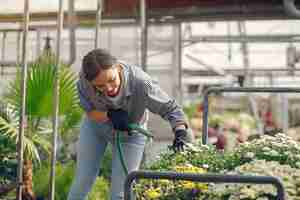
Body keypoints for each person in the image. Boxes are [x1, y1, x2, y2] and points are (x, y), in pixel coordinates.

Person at [67, 48, 190, 200]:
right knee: (82, 182)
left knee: (121, 192)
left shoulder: (141, 83)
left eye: (111, 80)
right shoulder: (85, 83)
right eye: (100, 86)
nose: (109, 88)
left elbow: (171, 109)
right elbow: (90, 111)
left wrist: (180, 133)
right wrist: (109, 115)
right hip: (96, 128)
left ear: (117, 67)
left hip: (131, 134)